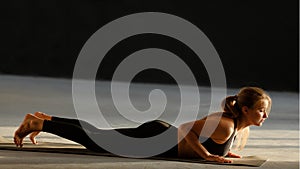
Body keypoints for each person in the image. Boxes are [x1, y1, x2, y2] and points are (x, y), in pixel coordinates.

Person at [14, 87, 271, 163]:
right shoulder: (224, 124)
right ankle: (40, 123)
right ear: (246, 109)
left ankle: (46, 118)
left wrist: (222, 152)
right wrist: (206, 156)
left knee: (98, 134)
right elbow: (184, 129)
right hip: (157, 139)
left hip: (160, 135)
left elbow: (211, 142)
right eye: (261, 111)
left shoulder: (238, 128)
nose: (265, 116)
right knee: (95, 141)